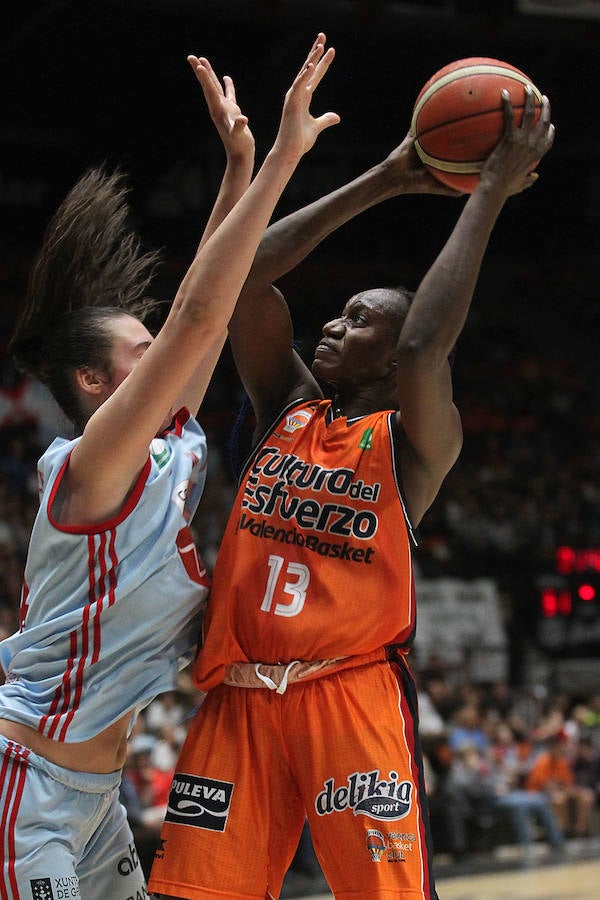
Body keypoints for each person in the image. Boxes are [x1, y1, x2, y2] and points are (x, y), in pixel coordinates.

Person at [149, 82, 554, 899]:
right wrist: (387, 178)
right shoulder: (288, 408)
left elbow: (424, 348)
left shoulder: (409, 445)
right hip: (239, 699)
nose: (334, 325)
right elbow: (244, 281)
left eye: (359, 319)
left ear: (389, 359)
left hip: (349, 696)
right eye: (337, 313)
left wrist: (486, 196)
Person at [0, 34, 339, 898]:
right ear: (91, 382)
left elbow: (206, 321)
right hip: (24, 784)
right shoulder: (90, 465)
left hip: (91, 795)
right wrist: (281, 163)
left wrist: (238, 170)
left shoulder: (166, 448)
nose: (163, 361)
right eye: (139, 354)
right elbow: (194, 318)